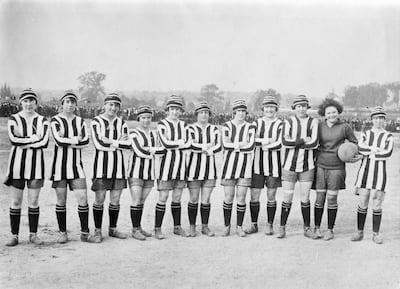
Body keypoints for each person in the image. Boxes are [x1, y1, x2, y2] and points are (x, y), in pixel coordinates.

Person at [49, 90, 98, 243]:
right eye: (67, 102)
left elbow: (86, 142)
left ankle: (84, 233)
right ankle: (63, 233)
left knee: (83, 198)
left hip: (76, 167)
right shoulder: (55, 120)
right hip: (59, 167)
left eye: (72, 102)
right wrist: (75, 139)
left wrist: (68, 139)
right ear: (62, 104)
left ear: (76, 105)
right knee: (61, 200)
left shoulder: (80, 121)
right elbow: (59, 141)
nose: (70, 105)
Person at [5, 88, 50, 246]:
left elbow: (44, 142)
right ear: (20, 102)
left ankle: (33, 234)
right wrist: (33, 138)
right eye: (25, 100)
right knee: (16, 202)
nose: (28, 103)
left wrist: (24, 139)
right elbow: (13, 140)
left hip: (36, 166)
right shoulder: (14, 118)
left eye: (31, 100)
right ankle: (14, 235)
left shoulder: (43, 120)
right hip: (17, 166)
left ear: (36, 103)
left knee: (34, 201)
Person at [313, 98, 359, 241]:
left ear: (338, 112)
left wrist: (352, 155)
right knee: (319, 198)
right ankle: (316, 227)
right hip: (320, 165)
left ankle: (330, 230)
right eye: (328, 112)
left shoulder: (345, 127)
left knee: (332, 198)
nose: (332, 115)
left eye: (334, 112)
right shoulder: (319, 125)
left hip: (337, 167)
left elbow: (354, 143)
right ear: (324, 113)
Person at [90, 93, 131, 242]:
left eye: (116, 105)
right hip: (101, 168)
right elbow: (99, 144)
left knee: (115, 199)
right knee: (100, 198)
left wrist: (112, 142)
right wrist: (118, 142)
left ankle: (113, 229)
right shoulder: (96, 122)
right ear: (104, 106)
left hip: (119, 168)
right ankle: (97, 230)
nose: (113, 108)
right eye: (110, 105)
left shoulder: (122, 123)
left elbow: (128, 145)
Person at [351, 106, 394, 244]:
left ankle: (376, 234)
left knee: (377, 203)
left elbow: (387, 153)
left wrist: (369, 153)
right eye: (376, 118)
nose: (379, 121)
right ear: (372, 120)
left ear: (384, 120)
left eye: (381, 118)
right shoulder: (366, 133)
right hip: (365, 172)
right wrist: (374, 149)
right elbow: (360, 148)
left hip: (380, 174)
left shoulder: (388, 135)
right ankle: (359, 231)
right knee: (363, 202)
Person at [278, 95, 318, 239]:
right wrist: (302, 140)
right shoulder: (288, 121)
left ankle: (307, 228)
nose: (301, 109)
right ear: (294, 108)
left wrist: (294, 142)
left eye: (304, 106)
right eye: (298, 106)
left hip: (307, 166)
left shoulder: (313, 122)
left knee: (305, 197)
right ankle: (282, 227)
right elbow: (284, 141)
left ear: (307, 107)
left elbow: (314, 143)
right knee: (287, 197)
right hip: (289, 166)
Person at [154, 95, 190, 239]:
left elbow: (189, 143)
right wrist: (180, 143)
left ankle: (177, 227)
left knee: (177, 197)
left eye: (177, 109)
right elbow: (165, 144)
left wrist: (177, 143)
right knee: (163, 196)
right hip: (165, 167)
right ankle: (157, 228)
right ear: (167, 110)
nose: (175, 112)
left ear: (181, 111)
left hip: (181, 166)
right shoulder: (162, 124)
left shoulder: (184, 125)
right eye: (172, 109)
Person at [246, 95, 282, 235]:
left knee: (271, 195)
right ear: (263, 109)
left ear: (276, 109)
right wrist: (267, 140)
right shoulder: (256, 123)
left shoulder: (280, 123)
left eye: (272, 107)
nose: (269, 109)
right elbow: (251, 140)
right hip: (257, 165)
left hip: (273, 165)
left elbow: (279, 143)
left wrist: (263, 144)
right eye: (267, 107)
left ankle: (269, 224)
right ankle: (254, 224)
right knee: (254, 195)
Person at [128, 105, 164, 240]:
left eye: (148, 117)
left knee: (142, 201)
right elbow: (139, 151)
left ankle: (139, 227)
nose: (146, 120)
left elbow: (162, 150)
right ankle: (134, 229)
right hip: (136, 172)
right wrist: (153, 150)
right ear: (138, 118)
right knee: (136, 200)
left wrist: (150, 149)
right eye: (143, 117)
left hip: (150, 173)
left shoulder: (154, 133)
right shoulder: (134, 133)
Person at [186, 102, 222, 237]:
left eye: (206, 113)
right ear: (196, 114)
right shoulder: (190, 129)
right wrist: (207, 146)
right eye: (201, 112)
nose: (204, 115)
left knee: (206, 199)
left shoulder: (214, 129)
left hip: (210, 169)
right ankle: (191, 226)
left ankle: (205, 226)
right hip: (193, 169)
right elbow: (190, 145)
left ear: (209, 115)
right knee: (194, 198)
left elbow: (219, 146)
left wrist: (209, 149)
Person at [221, 99, 255, 237]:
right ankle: (226, 226)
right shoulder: (226, 126)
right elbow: (225, 144)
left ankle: (239, 227)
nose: (241, 113)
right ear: (234, 112)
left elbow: (251, 146)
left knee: (241, 198)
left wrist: (234, 144)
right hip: (229, 167)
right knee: (228, 197)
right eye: (239, 111)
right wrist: (241, 143)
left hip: (245, 167)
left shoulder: (250, 127)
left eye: (243, 111)